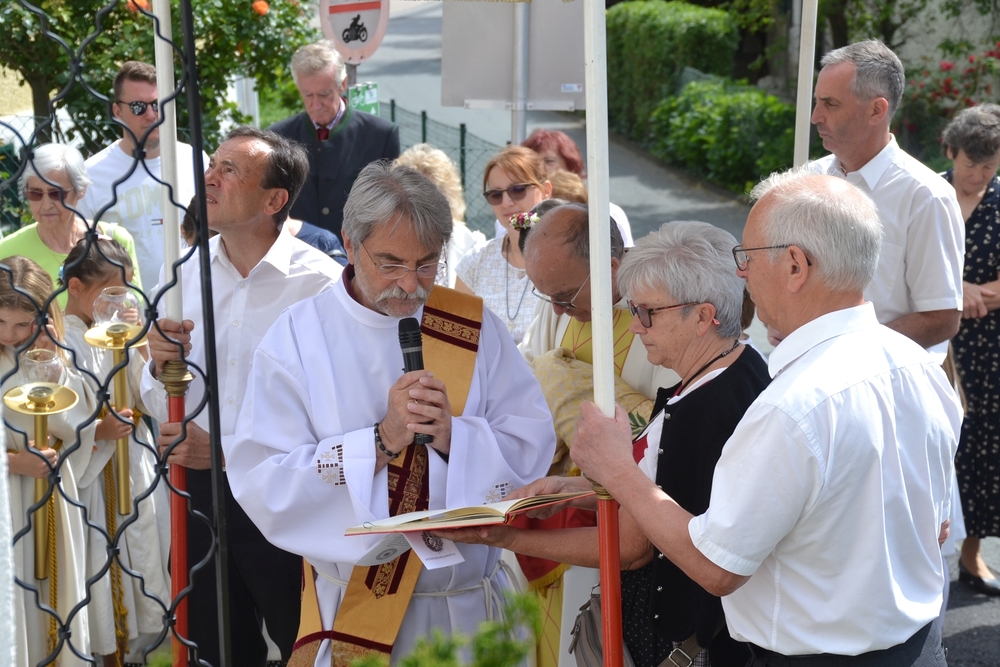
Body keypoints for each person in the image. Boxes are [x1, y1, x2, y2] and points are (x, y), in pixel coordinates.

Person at [563, 168, 959, 666]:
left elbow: (717, 567)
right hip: (916, 648)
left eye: (746, 257)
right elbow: (935, 526)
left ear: (795, 265)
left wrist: (617, 470)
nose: (741, 275)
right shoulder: (917, 366)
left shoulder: (793, 405)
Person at [225, 160, 555, 667]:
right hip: (356, 610)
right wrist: (379, 441)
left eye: (426, 264)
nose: (410, 284)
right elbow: (264, 481)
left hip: (471, 608)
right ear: (349, 243)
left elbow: (531, 445)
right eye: (391, 263)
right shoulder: (299, 337)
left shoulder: (469, 326)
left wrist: (453, 436)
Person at [443, 221, 768, 667]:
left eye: (648, 312)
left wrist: (508, 537)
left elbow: (631, 547)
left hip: (680, 641)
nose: (634, 327)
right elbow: (665, 489)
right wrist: (571, 490)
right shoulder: (742, 367)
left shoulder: (704, 407)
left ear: (702, 316)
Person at [138, 126, 343, 667]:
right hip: (197, 494)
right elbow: (154, 398)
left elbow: (337, 411)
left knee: (306, 641)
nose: (209, 177)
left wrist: (226, 452)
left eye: (230, 170)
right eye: (212, 165)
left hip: (290, 493)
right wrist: (158, 367)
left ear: (274, 201)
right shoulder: (181, 275)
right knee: (212, 647)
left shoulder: (322, 286)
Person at [515, 204, 678, 667]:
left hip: (625, 518)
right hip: (554, 500)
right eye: (546, 296)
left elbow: (664, 428)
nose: (557, 310)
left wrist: (562, 382)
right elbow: (527, 387)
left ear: (610, 268)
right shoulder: (558, 304)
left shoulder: (662, 309)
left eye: (566, 296)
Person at [807, 40, 963, 359]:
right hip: (810, 370)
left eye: (830, 104)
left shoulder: (926, 196)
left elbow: (942, 318)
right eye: (816, 102)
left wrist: (845, 351)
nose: (815, 117)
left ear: (876, 110)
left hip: (886, 382)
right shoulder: (809, 179)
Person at [60, 238, 171, 665]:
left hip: (134, 465)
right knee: (101, 574)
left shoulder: (117, 331)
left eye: (123, 293)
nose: (118, 303)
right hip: (94, 478)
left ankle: (138, 652)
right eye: (109, 293)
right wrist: (96, 430)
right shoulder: (60, 340)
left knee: (142, 560)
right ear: (75, 287)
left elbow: (148, 397)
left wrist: (138, 344)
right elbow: (58, 414)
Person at [2, 255, 99, 667]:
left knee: (49, 600)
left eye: (21, 324)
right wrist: (11, 463)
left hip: (49, 497)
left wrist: (54, 370)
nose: (9, 335)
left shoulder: (49, 355)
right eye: (1, 322)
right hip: (7, 495)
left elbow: (79, 422)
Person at [77, 61, 208, 291]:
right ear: (117, 111)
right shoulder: (93, 174)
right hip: (126, 303)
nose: (151, 114)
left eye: (157, 105)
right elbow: (80, 247)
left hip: (192, 295)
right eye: (138, 107)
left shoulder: (194, 160)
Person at [941, 103, 1000, 596]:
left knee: (982, 446)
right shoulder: (928, 193)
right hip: (931, 340)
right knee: (932, 442)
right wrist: (955, 289)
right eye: (971, 164)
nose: (979, 175)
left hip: (989, 347)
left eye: (989, 166)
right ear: (950, 152)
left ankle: (970, 553)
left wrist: (966, 293)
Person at [269, 40, 400, 239]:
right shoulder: (278, 139)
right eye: (307, 94)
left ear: (343, 84)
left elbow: (391, 208)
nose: (316, 104)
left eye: (324, 94)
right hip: (298, 252)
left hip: (357, 253)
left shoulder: (381, 136)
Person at [2, 143, 142, 306]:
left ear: (81, 190)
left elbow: (135, 308)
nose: (46, 205)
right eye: (35, 193)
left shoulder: (115, 240)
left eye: (56, 193)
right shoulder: (6, 251)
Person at [456, 146, 552, 344]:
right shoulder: (475, 262)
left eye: (517, 190)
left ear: (546, 191)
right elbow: (457, 340)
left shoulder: (566, 260)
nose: (506, 202)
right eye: (495, 195)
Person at [394, 143, 486, 288]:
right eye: (414, 197)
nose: (423, 206)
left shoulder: (473, 247)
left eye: (431, 196)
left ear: (448, 199)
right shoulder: (388, 245)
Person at [521, 129, 633, 246]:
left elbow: (627, 255)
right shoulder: (521, 216)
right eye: (533, 164)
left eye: (549, 161)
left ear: (571, 166)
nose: (540, 169)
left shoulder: (607, 213)